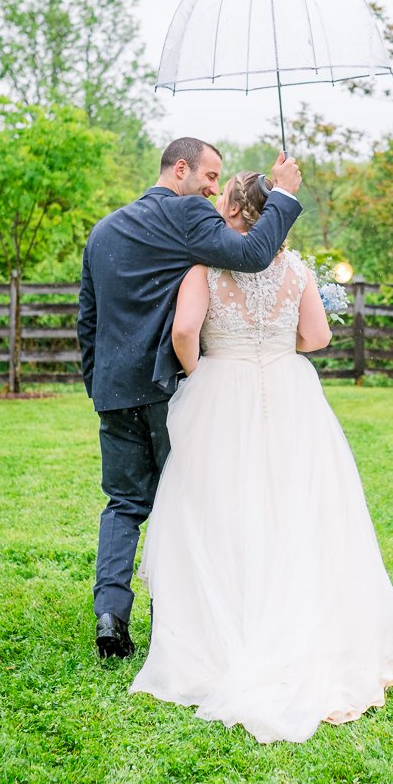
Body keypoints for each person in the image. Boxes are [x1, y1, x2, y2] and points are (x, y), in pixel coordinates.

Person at [130, 171, 393, 744]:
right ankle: (309, 631)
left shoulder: (205, 267)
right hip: (289, 389)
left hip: (222, 386)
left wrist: (199, 368)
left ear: (230, 210)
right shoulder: (297, 270)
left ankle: (223, 633)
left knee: (220, 507)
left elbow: (185, 330)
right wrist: (276, 344)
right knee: (297, 504)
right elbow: (319, 337)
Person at [77, 138, 303, 661]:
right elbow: (250, 254)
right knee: (191, 498)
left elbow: (87, 319)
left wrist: (97, 383)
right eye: (208, 176)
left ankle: (111, 614)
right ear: (180, 168)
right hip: (167, 388)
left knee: (124, 504)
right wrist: (285, 197)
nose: (210, 188)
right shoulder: (187, 216)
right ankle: (184, 617)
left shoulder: (103, 230)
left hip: (113, 389)